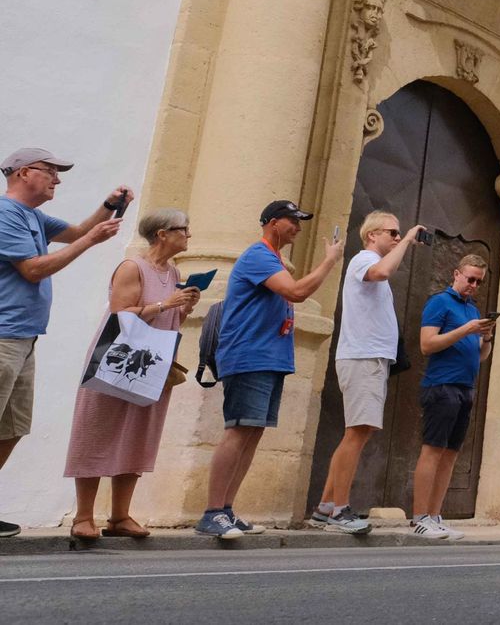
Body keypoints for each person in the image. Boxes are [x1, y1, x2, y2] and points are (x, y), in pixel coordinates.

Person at [0, 147, 129, 537]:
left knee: (12, 427)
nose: (57, 179)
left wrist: (107, 206)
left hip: (24, 337)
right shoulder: (6, 214)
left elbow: (74, 231)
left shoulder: (33, 216)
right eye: (50, 171)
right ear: (24, 173)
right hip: (4, 335)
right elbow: (34, 270)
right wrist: (90, 240)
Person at [197, 200, 341, 539]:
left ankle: (227, 510)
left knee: (251, 433)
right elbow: (297, 292)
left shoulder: (273, 259)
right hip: (249, 355)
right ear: (273, 222)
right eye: (293, 220)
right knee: (238, 430)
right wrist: (329, 261)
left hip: (269, 357)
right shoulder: (258, 256)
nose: (298, 227)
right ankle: (212, 512)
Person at [62, 208, 201, 539]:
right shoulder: (132, 267)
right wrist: (166, 305)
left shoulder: (175, 272)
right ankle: (83, 516)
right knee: (96, 431)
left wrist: (184, 308)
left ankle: (120, 516)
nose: (188, 236)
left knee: (138, 433)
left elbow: (167, 322)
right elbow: (120, 316)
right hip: (116, 360)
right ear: (162, 234)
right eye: (183, 229)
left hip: (149, 364)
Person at [312, 211, 422, 534]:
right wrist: (411, 237)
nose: (398, 237)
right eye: (393, 232)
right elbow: (383, 272)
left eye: (400, 233)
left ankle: (326, 506)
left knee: (358, 432)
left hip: (371, 358)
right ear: (372, 235)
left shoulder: (369, 260)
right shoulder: (363, 260)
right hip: (363, 357)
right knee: (357, 432)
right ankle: (340, 511)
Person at [411, 254, 496, 541]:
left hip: (465, 387)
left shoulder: (472, 310)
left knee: (450, 455)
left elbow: (481, 357)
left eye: (478, 281)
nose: (473, 285)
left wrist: (486, 338)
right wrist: (466, 330)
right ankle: (420, 517)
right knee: (433, 449)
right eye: (470, 278)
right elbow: (427, 344)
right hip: (441, 385)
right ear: (456, 274)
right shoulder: (439, 303)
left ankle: (435, 515)